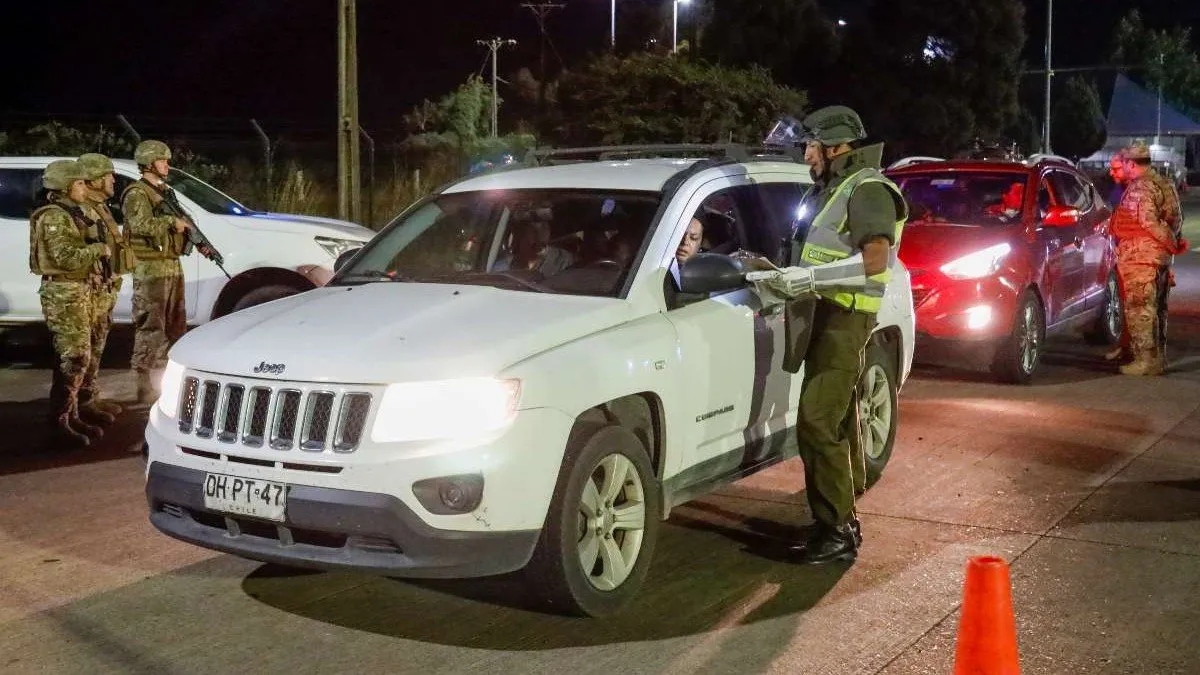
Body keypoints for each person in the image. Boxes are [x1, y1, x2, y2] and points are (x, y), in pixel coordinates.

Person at [759, 105, 908, 564]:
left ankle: (839, 531)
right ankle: (836, 520)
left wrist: (806, 281)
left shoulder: (867, 189)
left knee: (818, 422)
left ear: (836, 145)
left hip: (846, 320)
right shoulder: (838, 187)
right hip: (827, 315)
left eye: (810, 145)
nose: (806, 155)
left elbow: (876, 259)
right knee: (836, 422)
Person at [28, 160, 112, 447]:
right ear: (64, 187)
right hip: (64, 293)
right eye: (78, 183)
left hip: (78, 290)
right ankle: (58, 423)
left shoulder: (70, 213)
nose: (84, 187)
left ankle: (71, 415)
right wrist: (98, 249)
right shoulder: (53, 217)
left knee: (79, 357)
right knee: (74, 357)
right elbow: (65, 258)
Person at [121, 140, 192, 403]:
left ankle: (174, 381)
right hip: (150, 267)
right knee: (151, 325)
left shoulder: (163, 191)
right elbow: (138, 224)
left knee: (176, 325)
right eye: (163, 160)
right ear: (150, 163)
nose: (167, 165)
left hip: (170, 264)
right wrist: (171, 222)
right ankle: (142, 381)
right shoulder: (137, 193)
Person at [1108, 141, 1186, 376]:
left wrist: (1169, 242)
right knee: (1158, 309)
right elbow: (1177, 218)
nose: (1123, 169)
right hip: (1157, 257)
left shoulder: (1140, 188)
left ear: (1132, 164)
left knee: (1140, 308)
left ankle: (1145, 361)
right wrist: (1171, 243)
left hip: (1141, 257)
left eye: (1125, 165)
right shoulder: (1164, 183)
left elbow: (1147, 221)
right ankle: (1157, 358)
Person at [77, 153, 136, 422]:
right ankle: (77, 404)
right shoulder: (83, 209)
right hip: (89, 290)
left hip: (104, 288)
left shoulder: (99, 206)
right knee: (82, 348)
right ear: (94, 179)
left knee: (96, 344)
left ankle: (89, 397)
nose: (113, 179)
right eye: (108, 175)